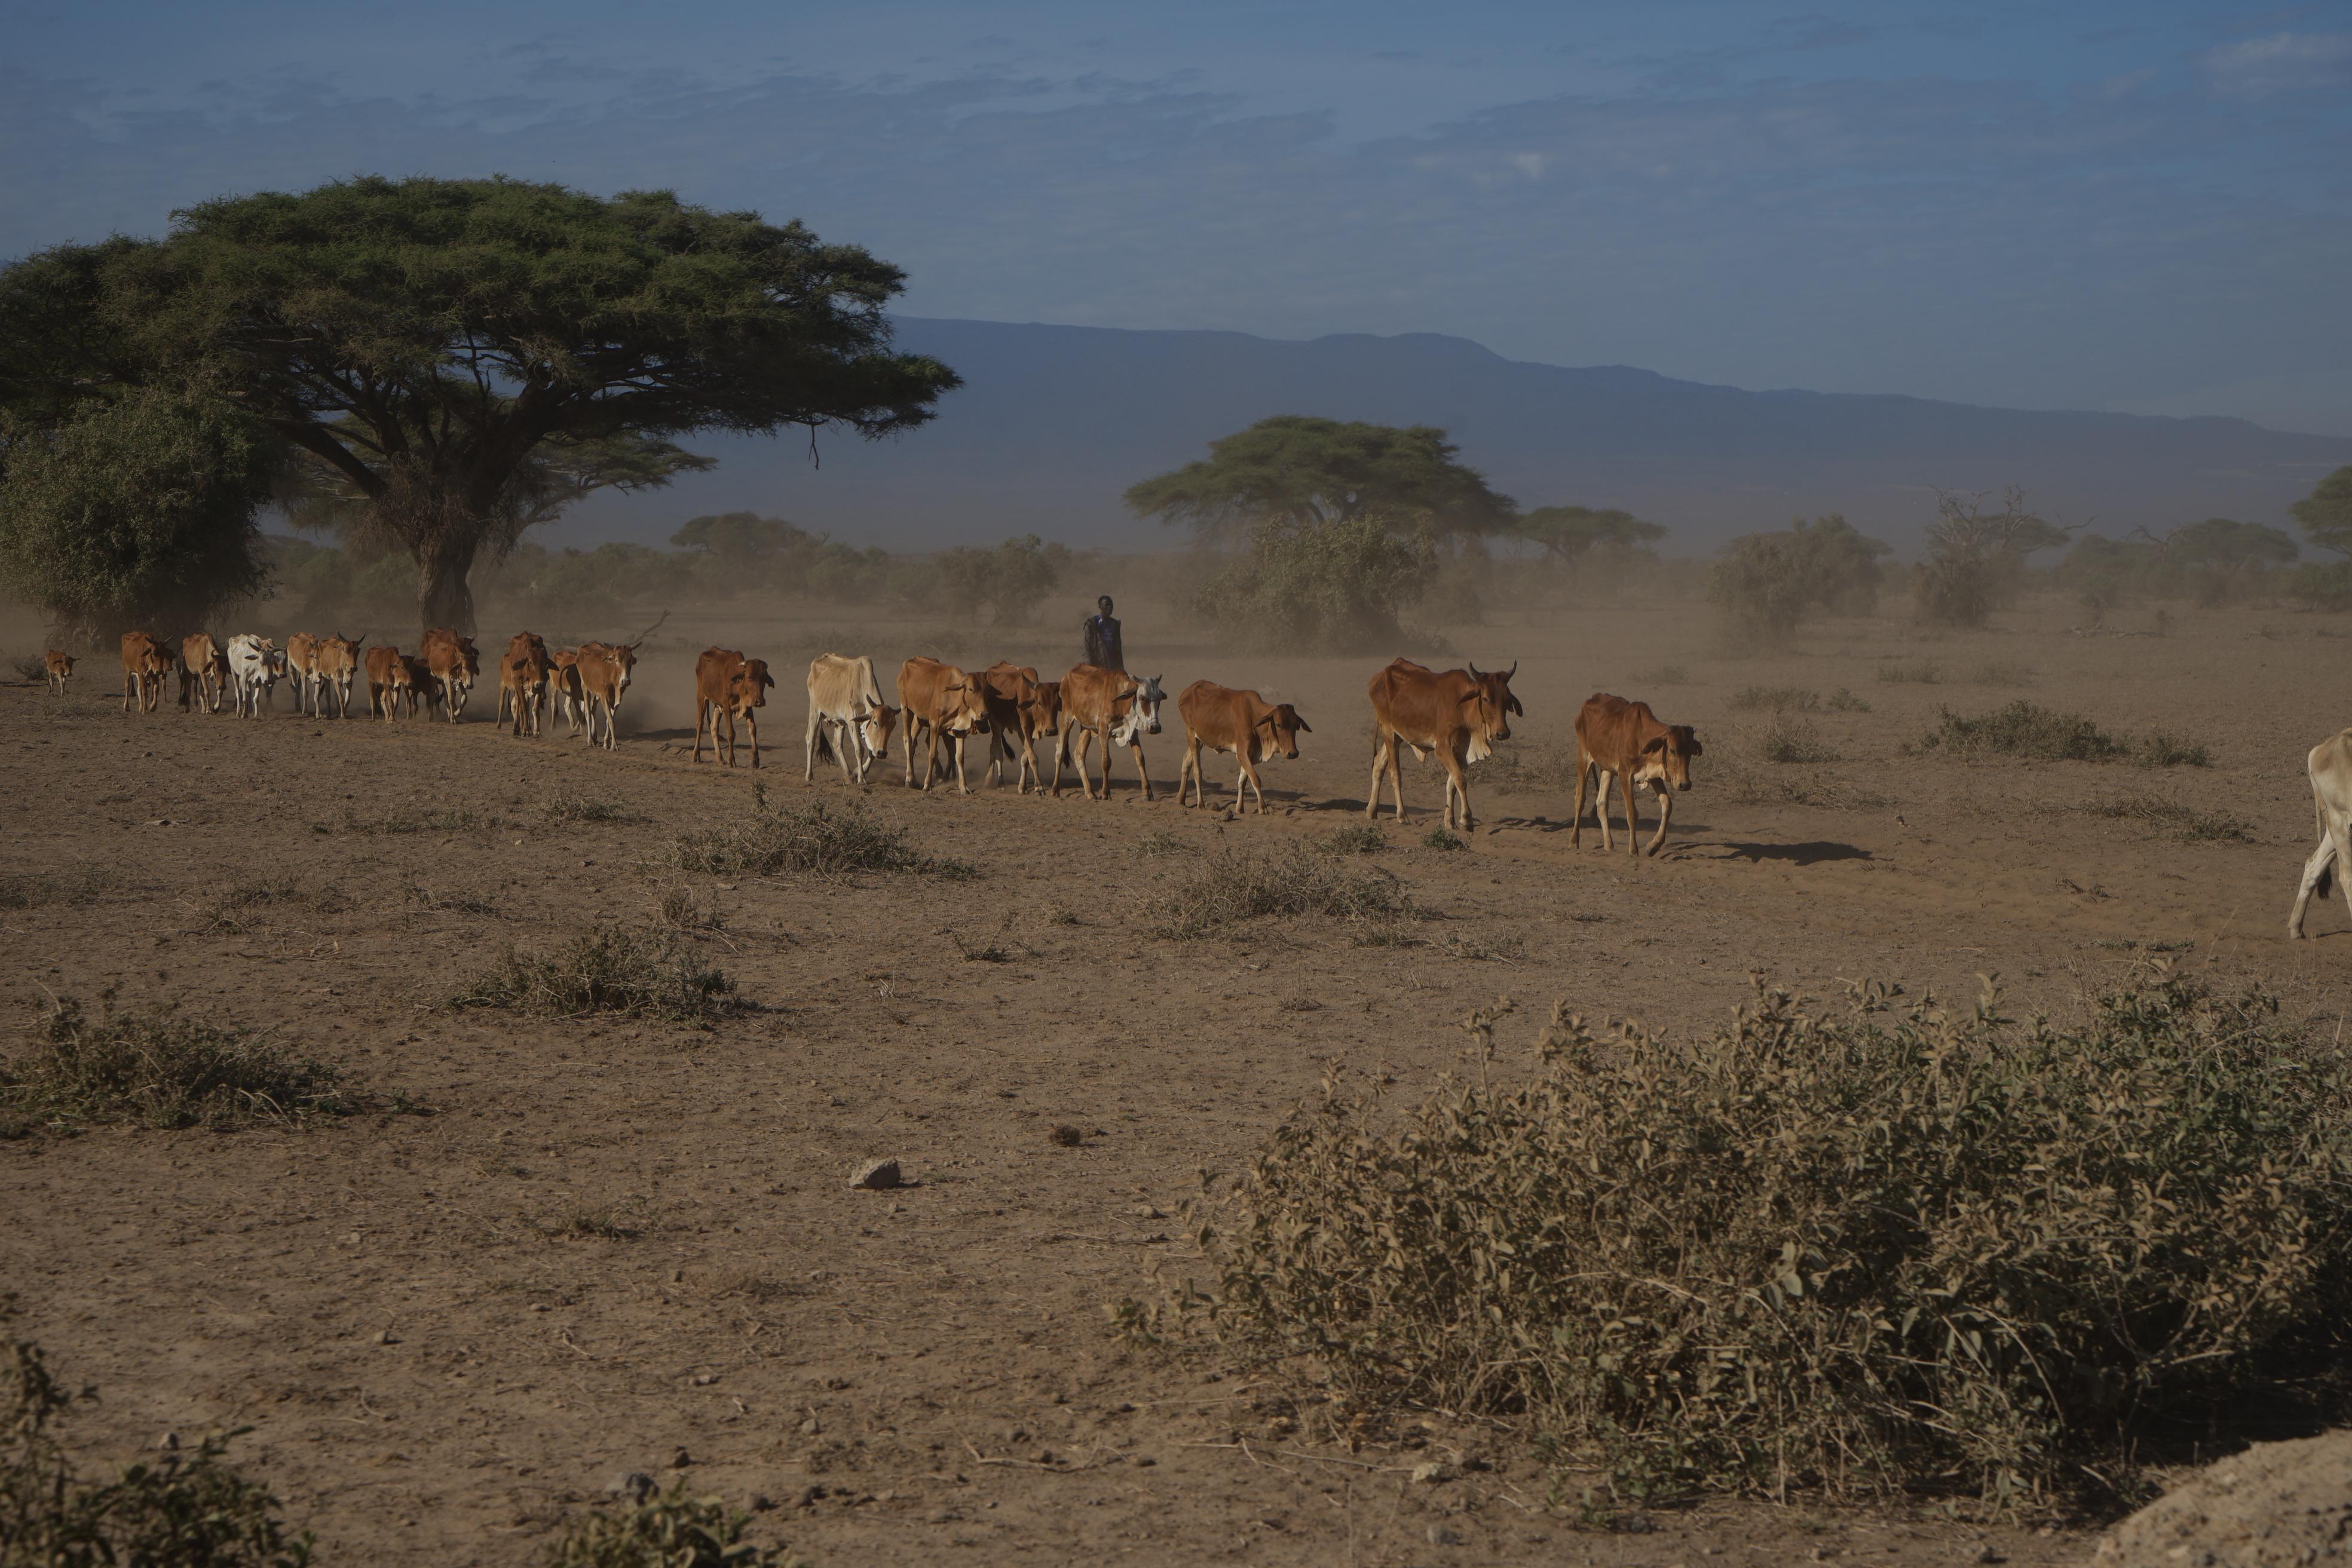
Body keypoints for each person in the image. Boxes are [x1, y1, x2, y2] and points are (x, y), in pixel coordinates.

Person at [1082, 595, 1125, 671]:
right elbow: (1087, 648)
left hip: (1112, 667)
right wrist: (1089, 668)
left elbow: (1118, 650)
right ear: (1100, 607)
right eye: (1107, 605)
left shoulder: (1115, 624)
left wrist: (1121, 670)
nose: (1110, 607)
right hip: (1097, 667)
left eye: (1111, 605)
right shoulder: (1092, 624)